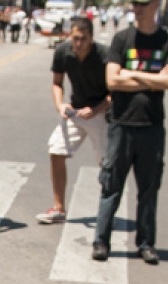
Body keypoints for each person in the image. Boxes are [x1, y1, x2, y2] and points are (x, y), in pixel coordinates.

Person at [91, 0, 168, 264]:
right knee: (111, 186)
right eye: (134, 3)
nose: (137, 8)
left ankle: (145, 243)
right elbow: (112, 80)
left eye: (143, 3)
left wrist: (132, 74)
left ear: (156, 5)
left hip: (151, 127)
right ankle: (101, 240)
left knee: (149, 189)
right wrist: (154, 79)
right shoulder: (122, 39)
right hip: (121, 124)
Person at [36, 17, 110, 225]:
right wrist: (60, 105)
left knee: (106, 163)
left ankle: (107, 210)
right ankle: (58, 208)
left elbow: (115, 93)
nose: (78, 44)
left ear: (91, 39)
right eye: (75, 38)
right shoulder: (63, 52)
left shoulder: (104, 55)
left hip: (101, 113)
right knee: (56, 150)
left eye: (83, 39)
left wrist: (95, 109)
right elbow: (57, 83)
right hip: (76, 111)